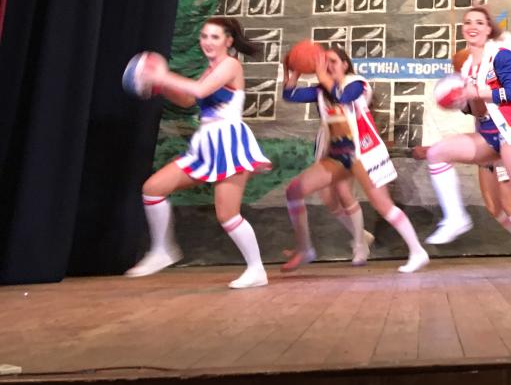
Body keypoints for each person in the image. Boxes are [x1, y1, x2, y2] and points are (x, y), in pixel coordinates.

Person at [126, 17, 271, 289]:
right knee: (153, 189)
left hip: (228, 141)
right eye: (204, 36)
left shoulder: (230, 65)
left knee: (228, 214)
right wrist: (162, 87)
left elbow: (200, 90)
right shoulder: (210, 69)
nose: (207, 42)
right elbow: (188, 99)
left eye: (214, 37)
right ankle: (162, 250)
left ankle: (257, 269)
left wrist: (161, 75)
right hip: (206, 142)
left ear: (228, 40)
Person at [424, 5, 511, 280]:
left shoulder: (501, 55)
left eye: (480, 22)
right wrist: (460, 102)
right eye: (468, 22)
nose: (472, 26)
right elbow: (477, 109)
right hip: (490, 132)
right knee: (437, 153)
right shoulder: (467, 66)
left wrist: (476, 92)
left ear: (489, 28)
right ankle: (455, 217)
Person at [280, 46, 429, 274]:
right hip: (337, 156)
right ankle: (305, 248)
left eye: (332, 61)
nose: (327, 66)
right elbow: (289, 95)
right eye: (325, 62)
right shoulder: (321, 90)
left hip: (363, 152)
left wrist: (321, 75)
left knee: (383, 205)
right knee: (294, 191)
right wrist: (294, 72)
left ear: (345, 64)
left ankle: (417, 251)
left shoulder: (356, 84)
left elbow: (342, 96)